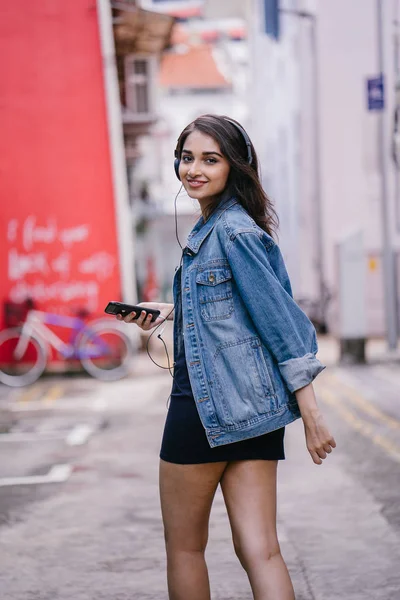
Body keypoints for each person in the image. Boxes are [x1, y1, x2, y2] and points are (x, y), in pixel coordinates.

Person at [116, 114, 336, 600]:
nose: (194, 169)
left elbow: (283, 324)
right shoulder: (229, 227)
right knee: (262, 550)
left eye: (210, 160)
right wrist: (172, 312)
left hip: (201, 408)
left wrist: (313, 414)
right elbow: (237, 312)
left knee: (186, 549)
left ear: (235, 167)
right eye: (187, 157)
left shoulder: (231, 233)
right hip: (254, 413)